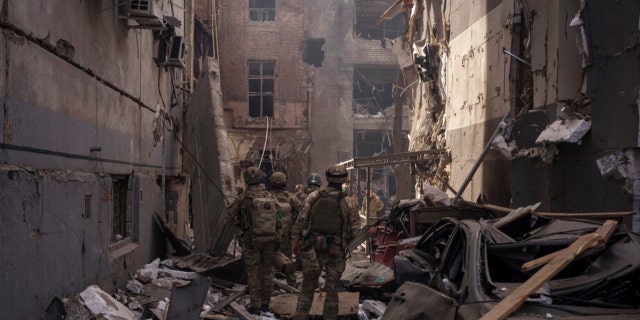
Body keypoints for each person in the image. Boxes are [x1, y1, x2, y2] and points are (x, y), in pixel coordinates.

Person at [291, 165, 360, 320]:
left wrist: (295, 243)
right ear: (344, 179)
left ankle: (300, 316)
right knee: (332, 288)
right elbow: (355, 230)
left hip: (312, 247)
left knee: (307, 285)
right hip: (336, 250)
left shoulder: (314, 196)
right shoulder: (348, 202)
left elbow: (301, 221)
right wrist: (343, 242)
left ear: (327, 178)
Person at [225, 166, 282, 315]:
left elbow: (227, 218)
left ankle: (255, 306)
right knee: (268, 272)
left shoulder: (242, 199)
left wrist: (238, 224)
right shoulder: (270, 197)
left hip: (250, 241)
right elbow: (280, 218)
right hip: (269, 240)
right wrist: (277, 235)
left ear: (246, 180)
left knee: (253, 273)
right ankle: (265, 305)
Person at [269, 171, 303, 286]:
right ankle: (291, 283)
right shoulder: (291, 197)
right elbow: (301, 211)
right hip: (287, 235)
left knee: (271, 259)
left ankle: (271, 284)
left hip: (272, 234)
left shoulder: (268, 197)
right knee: (288, 260)